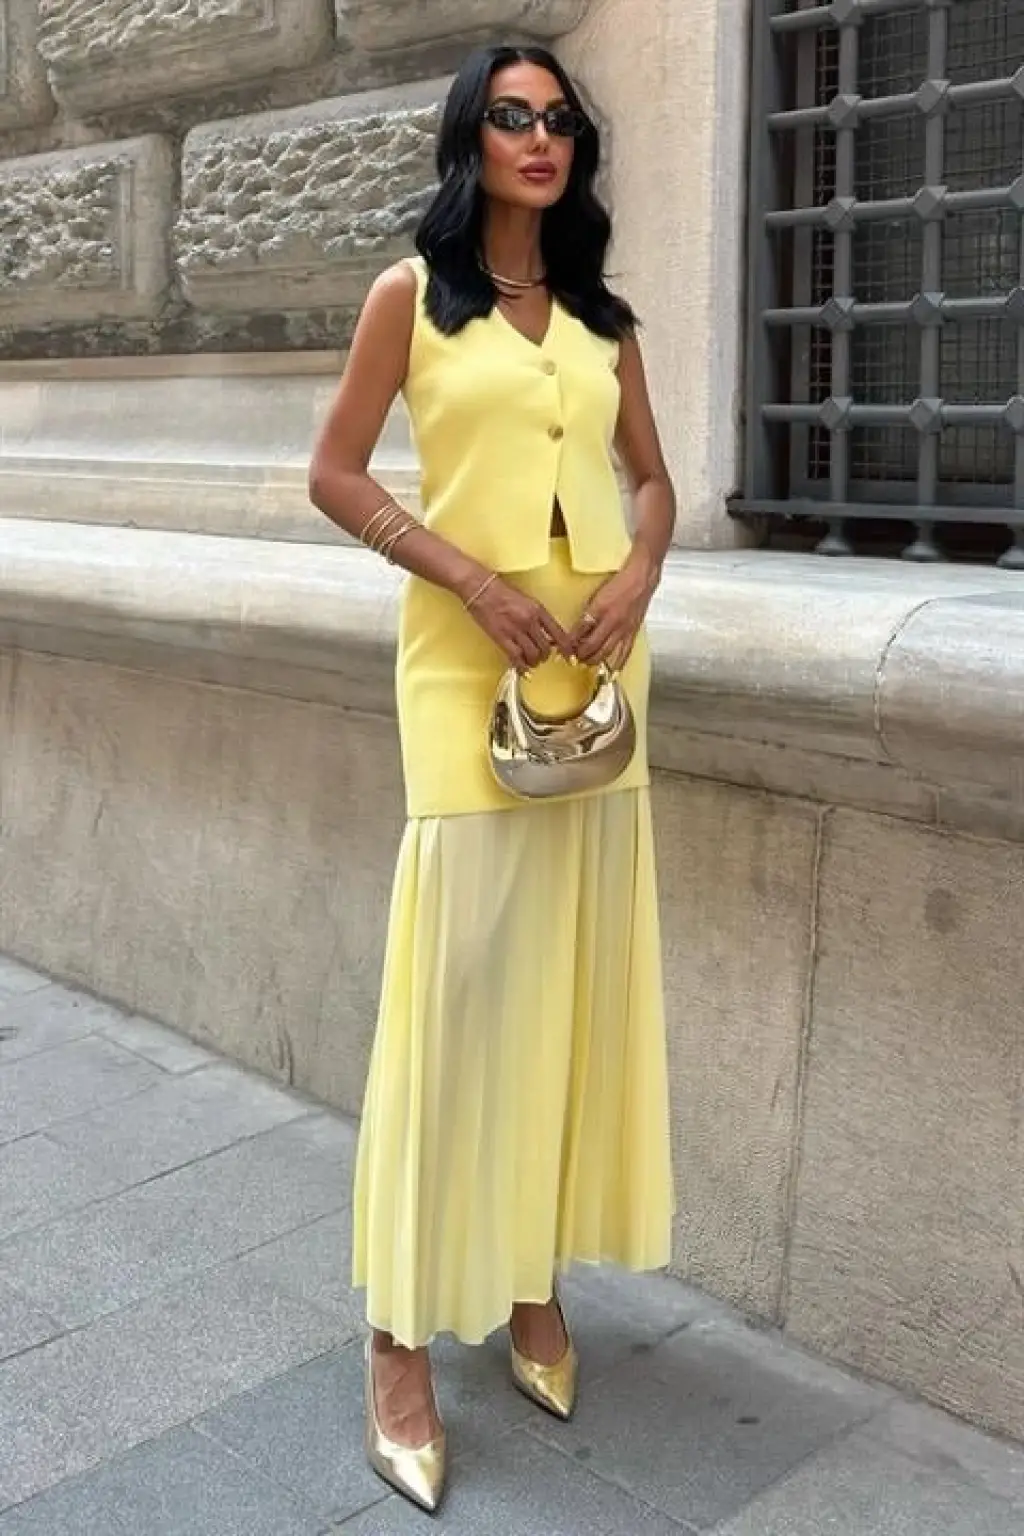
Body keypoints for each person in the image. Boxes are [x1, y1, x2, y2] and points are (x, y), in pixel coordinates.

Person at [308, 42, 676, 1514]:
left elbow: (655, 481)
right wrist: (466, 578)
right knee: (455, 993)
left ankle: (531, 1278)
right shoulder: (411, 296)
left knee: (566, 983)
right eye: (513, 115)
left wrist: (642, 572)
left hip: (598, 667)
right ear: (472, 138)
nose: (541, 135)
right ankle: (399, 1336)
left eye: (560, 117)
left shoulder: (601, 319)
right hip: (467, 665)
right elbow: (336, 472)